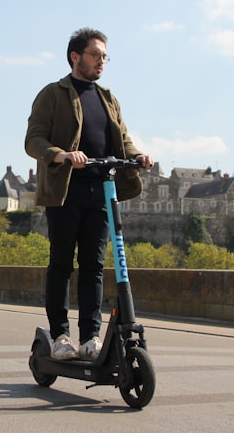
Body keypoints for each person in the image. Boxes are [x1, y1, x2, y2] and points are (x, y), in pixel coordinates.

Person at [24, 27, 153, 362]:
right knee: (61, 265)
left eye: (104, 56)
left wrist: (138, 155)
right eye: (95, 54)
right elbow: (33, 140)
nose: (101, 62)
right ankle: (60, 336)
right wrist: (61, 154)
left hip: (101, 191)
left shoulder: (108, 98)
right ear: (75, 57)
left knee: (94, 266)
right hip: (66, 191)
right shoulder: (52, 94)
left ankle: (91, 337)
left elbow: (122, 140)